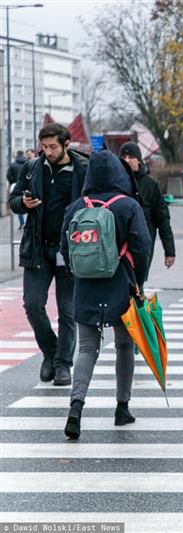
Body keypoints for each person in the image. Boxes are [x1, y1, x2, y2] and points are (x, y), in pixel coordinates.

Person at [60, 151, 151, 439]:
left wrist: (79, 274)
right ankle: (122, 407)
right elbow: (142, 246)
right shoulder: (128, 205)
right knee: (124, 346)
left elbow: (65, 249)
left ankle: (76, 406)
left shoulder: (76, 206)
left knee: (87, 349)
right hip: (121, 283)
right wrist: (139, 281)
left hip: (86, 285)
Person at [9, 123, 88, 386]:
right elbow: (15, 198)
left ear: (67, 144)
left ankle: (63, 365)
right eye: (44, 146)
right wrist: (23, 203)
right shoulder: (32, 168)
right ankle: (51, 352)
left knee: (67, 311)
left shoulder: (82, 169)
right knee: (32, 304)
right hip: (38, 248)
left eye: (53, 146)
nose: (47, 151)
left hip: (70, 249)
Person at [118, 142, 176, 279]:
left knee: (138, 286)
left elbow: (162, 220)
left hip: (141, 246)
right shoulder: (115, 183)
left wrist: (169, 251)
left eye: (130, 156)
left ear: (138, 159)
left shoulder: (150, 185)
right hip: (118, 246)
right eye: (123, 157)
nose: (126, 160)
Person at [7, 150, 27, 230]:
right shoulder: (28, 164)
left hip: (15, 185)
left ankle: (22, 223)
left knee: (18, 203)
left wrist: (12, 182)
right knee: (28, 202)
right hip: (27, 186)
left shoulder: (12, 164)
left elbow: (8, 176)